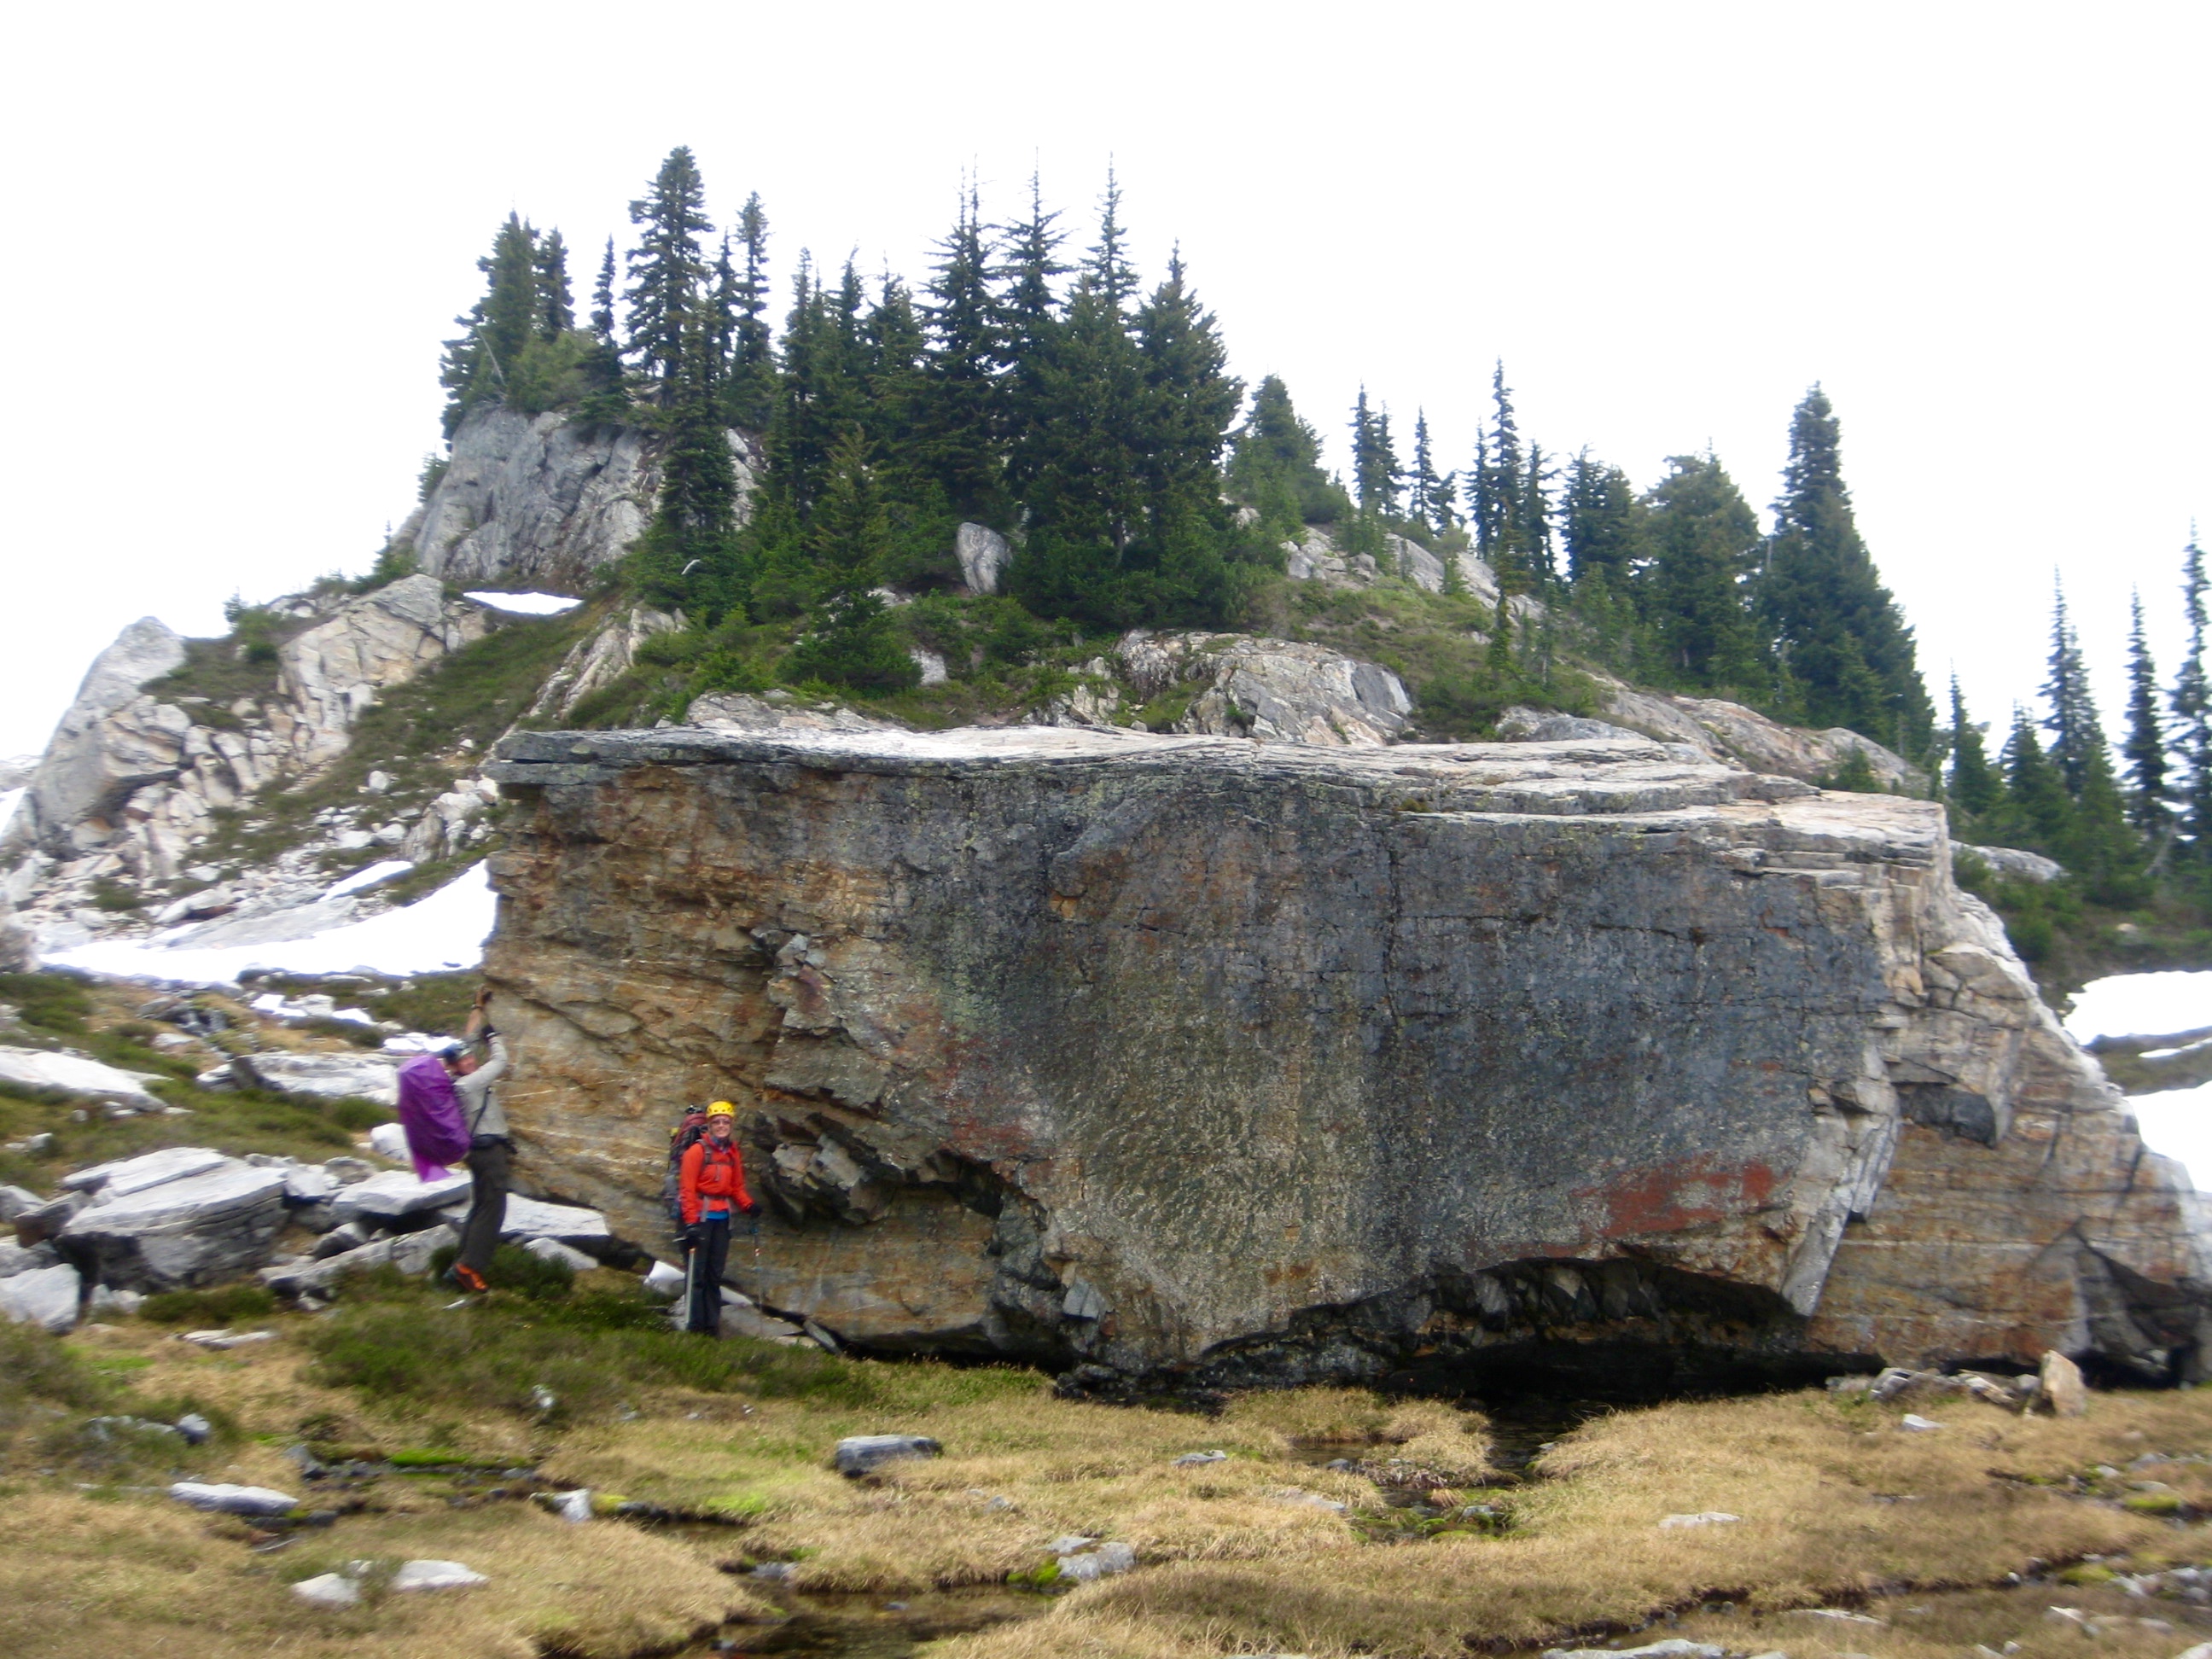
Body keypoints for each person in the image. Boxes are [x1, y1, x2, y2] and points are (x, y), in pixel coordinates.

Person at [443, 986, 510, 1294]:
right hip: (488, 1150)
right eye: (465, 1060)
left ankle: (458, 1264)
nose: (470, 1060)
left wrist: (477, 1007)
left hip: (475, 1151)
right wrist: (492, 1034)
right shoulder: (471, 1084)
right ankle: (470, 1267)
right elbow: (500, 1061)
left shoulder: (454, 1082)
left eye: (470, 1058)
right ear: (455, 1067)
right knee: (494, 1208)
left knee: (480, 1206)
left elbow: (467, 1041)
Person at [677, 1102, 756, 1336]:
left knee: (714, 1274)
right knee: (698, 1274)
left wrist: (748, 1205)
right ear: (709, 1125)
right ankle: (694, 1324)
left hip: (722, 1219)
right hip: (700, 1218)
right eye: (717, 1122)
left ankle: (711, 1325)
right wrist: (690, 1223)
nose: (721, 1126)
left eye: (726, 1122)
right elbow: (687, 1190)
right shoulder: (697, 1152)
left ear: (731, 1125)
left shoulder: (732, 1152)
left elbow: (736, 1187)